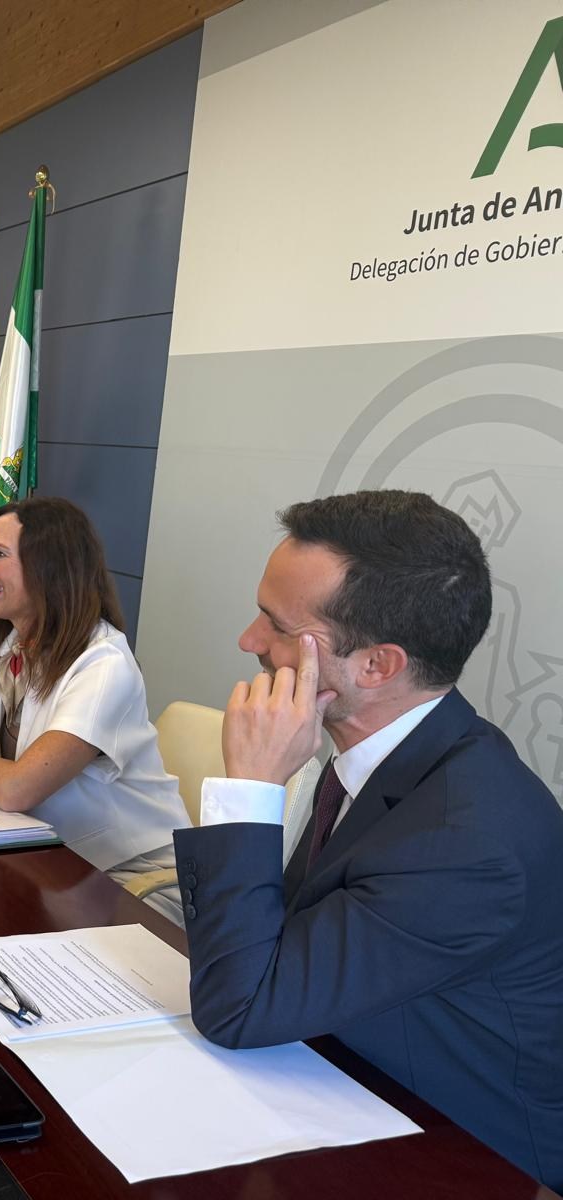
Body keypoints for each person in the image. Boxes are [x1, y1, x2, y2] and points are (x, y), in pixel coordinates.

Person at [177, 490, 563, 1189]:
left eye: (276, 625)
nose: (249, 641)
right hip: (338, 1075)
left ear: (377, 666)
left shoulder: (466, 842)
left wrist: (251, 788)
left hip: (464, 1158)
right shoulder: (389, 754)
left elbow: (240, 1007)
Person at [0, 497, 189, 919]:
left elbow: (16, 789)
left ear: (50, 567)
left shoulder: (104, 664)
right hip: (46, 860)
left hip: (135, 881)